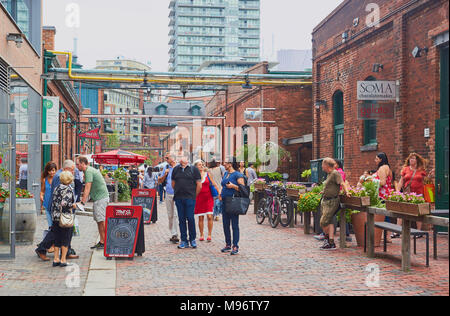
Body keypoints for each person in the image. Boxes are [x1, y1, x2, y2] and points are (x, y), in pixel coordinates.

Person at [35, 160, 79, 262]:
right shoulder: (61, 177)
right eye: (72, 170)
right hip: (61, 212)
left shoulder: (59, 175)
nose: (73, 172)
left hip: (56, 210)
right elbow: (62, 200)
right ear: (67, 169)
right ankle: (43, 249)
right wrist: (73, 205)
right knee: (58, 232)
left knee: (59, 231)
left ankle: (64, 252)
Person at [76, 156, 110, 250]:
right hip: (99, 199)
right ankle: (102, 241)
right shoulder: (88, 171)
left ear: (83, 163)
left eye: (77, 164)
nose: (76, 166)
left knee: (101, 220)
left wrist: (82, 202)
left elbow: (87, 187)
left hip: (101, 199)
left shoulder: (89, 171)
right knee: (99, 221)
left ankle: (106, 242)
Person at [393, 153, 430, 236]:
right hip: (407, 194)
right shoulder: (405, 169)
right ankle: (397, 231)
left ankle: (418, 232)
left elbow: (425, 181)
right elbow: (401, 181)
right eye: (410, 159)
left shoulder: (421, 170)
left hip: (418, 194)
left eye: (413, 158)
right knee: (401, 211)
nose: (411, 160)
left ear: (416, 160)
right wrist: (398, 191)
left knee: (418, 212)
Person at [319, 158, 350, 251]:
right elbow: (330, 185)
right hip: (326, 200)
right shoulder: (329, 174)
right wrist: (324, 191)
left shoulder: (335, 173)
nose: (321, 167)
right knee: (329, 221)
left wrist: (347, 192)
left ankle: (327, 239)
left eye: (322, 165)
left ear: (327, 165)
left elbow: (342, 183)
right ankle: (331, 242)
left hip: (332, 201)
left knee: (323, 222)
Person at [172, 156, 202, 249]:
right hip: (179, 198)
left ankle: (192, 239)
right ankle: (184, 240)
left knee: (190, 218)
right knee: (181, 219)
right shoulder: (176, 169)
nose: (181, 159)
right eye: (180, 157)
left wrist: (194, 196)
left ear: (187, 159)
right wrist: (178, 191)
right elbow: (173, 183)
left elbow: (199, 185)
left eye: (182, 157)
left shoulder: (194, 169)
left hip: (190, 198)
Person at [50, 171, 77, 267]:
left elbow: (54, 202)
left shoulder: (57, 188)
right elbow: (64, 204)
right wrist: (73, 205)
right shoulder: (68, 189)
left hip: (55, 217)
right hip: (64, 218)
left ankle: (56, 259)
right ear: (69, 180)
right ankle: (63, 259)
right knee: (65, 238)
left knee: (57, 238)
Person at [220, 157, 246, 256]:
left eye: (225, 162)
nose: (224, 164)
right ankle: (228, 244)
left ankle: (235, 245)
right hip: (224, 201)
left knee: (234, 224)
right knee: (225, 224)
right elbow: (223, 185)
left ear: (230, 164)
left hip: (233, 201)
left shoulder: (238, 175)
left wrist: (233, 186)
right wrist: (220, 194)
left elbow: (243, 189)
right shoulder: (226, 173)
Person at [194, 160, 221, 242]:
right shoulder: (194, 176)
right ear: (196, 166)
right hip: (199, 198)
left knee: (209, 216)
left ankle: (209, 234)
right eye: (199, 165)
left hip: (208, 197)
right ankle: (201, 234)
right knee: (201, 217)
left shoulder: (208, 174)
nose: (201, 166)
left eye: (202, 164)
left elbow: (214, 184)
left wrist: (219, 192)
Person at [159, 154, 180, 244]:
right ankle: (172, 233)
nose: (166, 160)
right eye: (165, 158)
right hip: (168, 193)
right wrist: (165, 174)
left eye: (167, 158)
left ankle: (175, 234)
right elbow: (160, 180)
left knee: (176, 214)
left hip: (178, 193)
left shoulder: (179, 167)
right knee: (170, 214)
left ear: (173, 158)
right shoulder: (166, 167)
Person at [40, 162, 57, 229]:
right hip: (47, 204)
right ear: (47, 171)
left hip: (55, 204)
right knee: (50, 225)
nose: (51, 172)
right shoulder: (45, 180)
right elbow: (42, 191)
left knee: (55, 223)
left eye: (53, 170)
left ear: (55, 170)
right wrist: (41, 196)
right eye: (50, 171)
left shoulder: (58, 179)